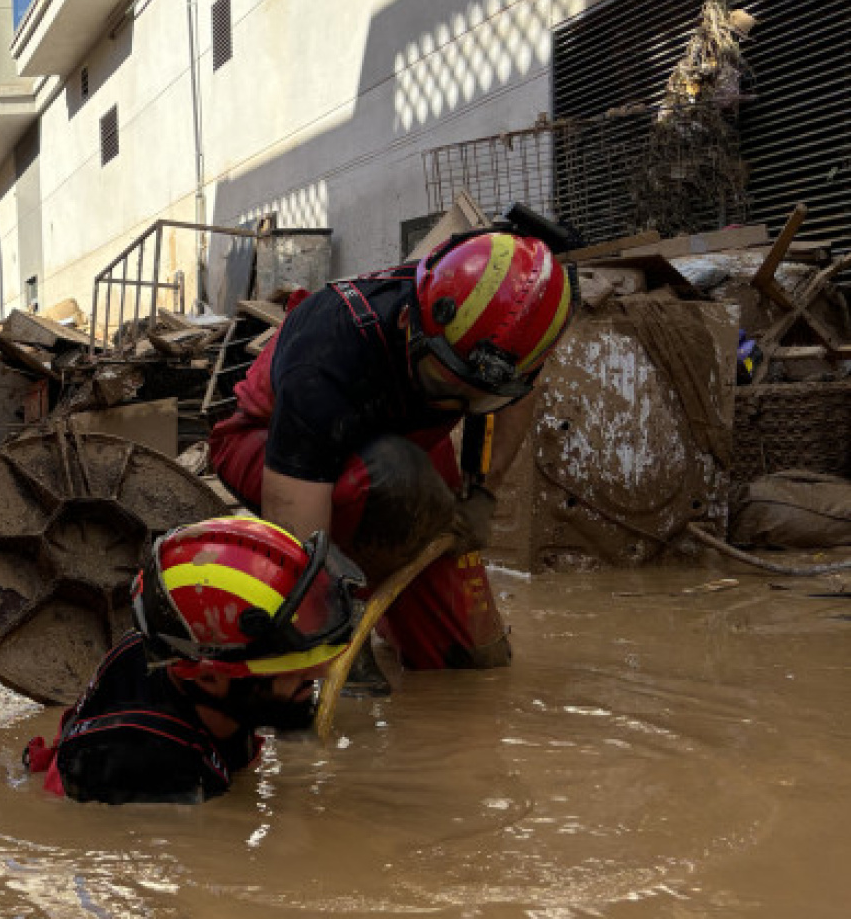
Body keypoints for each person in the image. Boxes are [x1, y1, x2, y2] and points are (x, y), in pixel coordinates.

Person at [205, 217, 576, 672]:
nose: (459, 403)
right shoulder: (326, 353)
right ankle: (356, 601)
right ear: (410, 321)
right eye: (444, 381)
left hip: (399, 444)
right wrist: (325, 631)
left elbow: (518, 395)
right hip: (267, 443)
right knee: (396, 481)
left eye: (480, 396)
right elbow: (297, 530)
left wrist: (482, 491)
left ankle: (385, 606)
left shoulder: (500, 345)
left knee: (472, 661)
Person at [25, 517, 364, 804]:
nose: (322, 671)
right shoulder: (154, 766)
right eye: (298, 673)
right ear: (209, 679)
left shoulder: (181, 657)